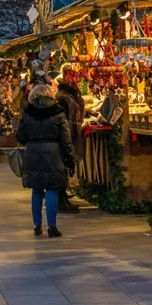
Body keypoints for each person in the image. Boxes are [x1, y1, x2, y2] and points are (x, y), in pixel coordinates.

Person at [16, 84, 76, 237]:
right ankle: (52, 227)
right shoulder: (58, 113)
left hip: (33, 153)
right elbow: (66, 140)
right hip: (53, 154)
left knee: (36, 190)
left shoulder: (26, 113)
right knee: (51, 189)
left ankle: (37, 225)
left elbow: (20, 136)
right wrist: (70, 159)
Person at [55, 78, 85, 214]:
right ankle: (61, 200)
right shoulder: (63, 99)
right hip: (65, 135)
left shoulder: (67, 98)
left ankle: (63, 197)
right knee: (64, 165)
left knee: (66, 165)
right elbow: (64, 119)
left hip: (68, 134)